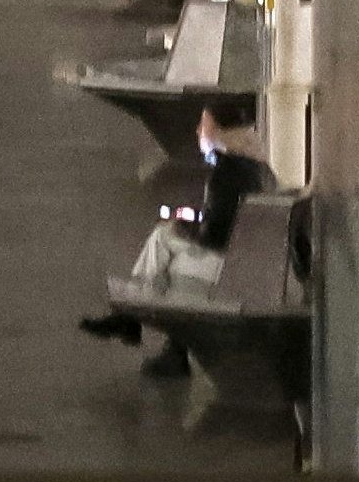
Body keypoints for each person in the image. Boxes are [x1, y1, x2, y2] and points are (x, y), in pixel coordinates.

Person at [77, 103, 276, 378]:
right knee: (165, 240)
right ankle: (140, 328)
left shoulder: (226, 175)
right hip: (249, 261)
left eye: (203, 125)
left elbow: (215, 235)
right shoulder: (252, 168)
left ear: (220, 131)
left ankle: (137, 325)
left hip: (230, 268)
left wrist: (189, 230)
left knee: (167, 257)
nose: (197, 132)